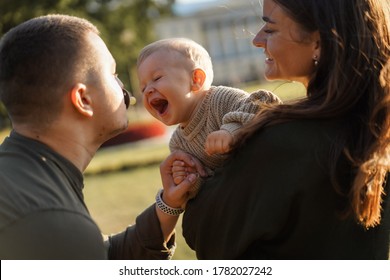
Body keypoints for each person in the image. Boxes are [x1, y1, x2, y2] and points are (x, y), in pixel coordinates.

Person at [161, 0, 390, 259]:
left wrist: (192, 185)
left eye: (270, 29)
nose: (256, 40)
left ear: (317, 42)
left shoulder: (283, 141)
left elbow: (204, 232)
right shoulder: (374, 130)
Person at [0, 14, 205, 259]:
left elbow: (100, 255)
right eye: (113, 73)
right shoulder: (48, 219)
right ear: (83, 100)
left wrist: (168, 206)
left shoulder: (25, 180)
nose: (125, 89)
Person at [137, 38, 281, 198]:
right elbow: (207, 189)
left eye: (157, 78)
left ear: (196, 80)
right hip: (244, 199)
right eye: (143, 88)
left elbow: (263, 102)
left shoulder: (220, 99)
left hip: (273, 180)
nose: (148, 90)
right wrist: (189, 180)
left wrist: (231, 130)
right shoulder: (178, 144)